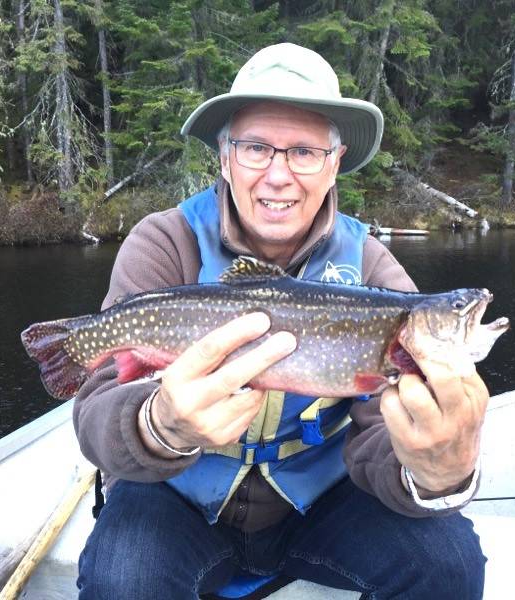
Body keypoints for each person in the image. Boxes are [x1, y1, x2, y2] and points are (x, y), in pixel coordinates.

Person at [74, 43, 488, 599]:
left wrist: (439, 472)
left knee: (448, 565)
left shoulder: (372, 270)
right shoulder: (164, 242)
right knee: (122, 579)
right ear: (224, 157)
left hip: (321, 504)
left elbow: (380, 448)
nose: (278, 175)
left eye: (304, 152)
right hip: (175, 498)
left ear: (334, 163)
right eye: (255, 148)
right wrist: (158, 425)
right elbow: (95, 412)